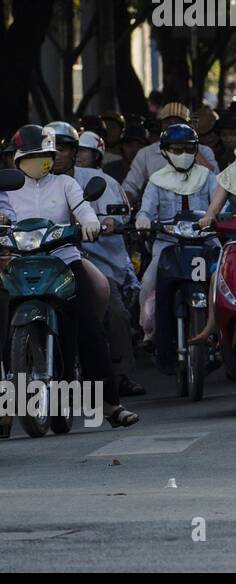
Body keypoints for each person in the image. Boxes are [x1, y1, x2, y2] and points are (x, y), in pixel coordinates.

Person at [6, 125, 139, 427]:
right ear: (16, 160)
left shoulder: (66, 185)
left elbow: (83, 210)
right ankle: (6, 408)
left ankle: (109, 406)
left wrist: (89, 223)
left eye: (42, 156)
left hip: (63, 262)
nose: (35, 161)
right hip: (20, 264)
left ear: (51, 157)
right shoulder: (8, 190)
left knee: (90, 330)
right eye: (29, 157)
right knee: (4, 323)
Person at [134, 123, 218, 376]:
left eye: (187, 149)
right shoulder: (156, 181)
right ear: (165, 151)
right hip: (168, 245)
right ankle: (151, 333)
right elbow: (146, 210)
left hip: (206, 242)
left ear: (196, 150)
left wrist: (218, 218)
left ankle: (223, 334)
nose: (182, 153)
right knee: (148, 282)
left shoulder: (208, 177)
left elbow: (220, 206)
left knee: (224, 279)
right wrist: (143, 219)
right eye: (176, 149)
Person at [67, 129, 145, 397]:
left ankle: (121, 374)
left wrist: (109, 222)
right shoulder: (29, 185)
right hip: (46, 263)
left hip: (93, 258)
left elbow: (118, 215)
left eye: (65, 149)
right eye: (47, 153)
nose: (56, 157)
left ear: (75, 153)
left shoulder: (99, 181)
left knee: (116, 313)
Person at [122, 102, 219, 204]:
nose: (173, 126)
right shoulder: (146, 153)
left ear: (189, 125)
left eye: (178, 122)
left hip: (199, 214)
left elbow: (215, 181)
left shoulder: (204, 151)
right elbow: (130, 187)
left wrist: (192, 147)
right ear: (161, 125)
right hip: (157, 215)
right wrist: (123, 205)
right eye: (168, 122)